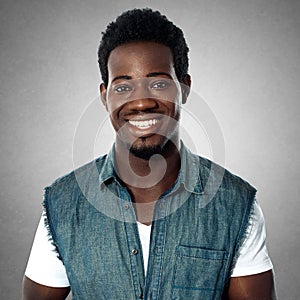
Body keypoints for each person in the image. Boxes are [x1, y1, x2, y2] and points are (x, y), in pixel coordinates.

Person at [22, 8, 276, 299]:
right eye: (123, 86)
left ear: (184, 87)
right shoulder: (64, 205)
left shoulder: (235, 204)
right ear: (105, 96)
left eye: (158, 83)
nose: (141, 102)